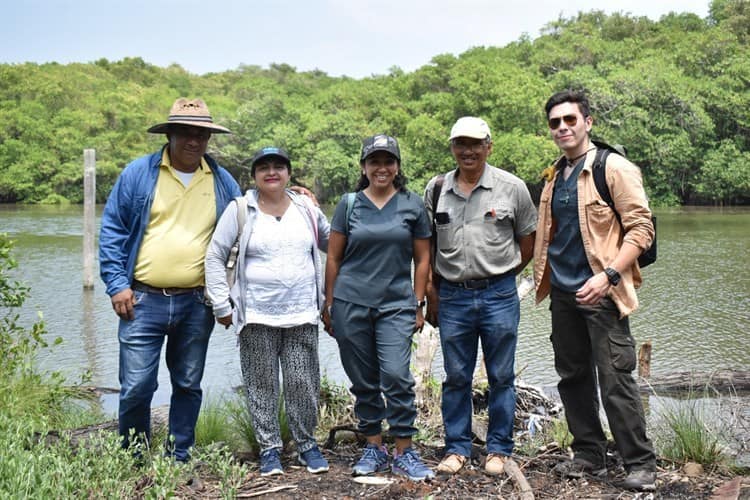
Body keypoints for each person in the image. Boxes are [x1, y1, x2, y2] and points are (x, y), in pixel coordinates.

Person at [99, 98, 242, 462]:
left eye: (201, 134)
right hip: (142, 299)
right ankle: (133, 458)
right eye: (186, 133)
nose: (194, 141)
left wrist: (295, 199)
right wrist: (116, 283)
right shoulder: (139, 174)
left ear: (209, 138)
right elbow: (113, 229)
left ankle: (179, 455)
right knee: (135, 387)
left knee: (188, 384)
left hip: (198, 302)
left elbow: (247, 225)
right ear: (170, 134)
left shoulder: (222, 181)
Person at [533, 90, 657, 491]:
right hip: (564, 295)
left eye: (570, 119)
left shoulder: (613, 167)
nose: (563, 128)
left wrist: (608, 276)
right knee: (572, 377)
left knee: (616, 378)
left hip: (603, 292)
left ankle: (640, 463)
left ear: (588, 122)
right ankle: (588, 453)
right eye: (555, 122)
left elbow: (641, 229)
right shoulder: (554, 174)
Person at [204, 146, 330, 476]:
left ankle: (306, 445)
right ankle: (270, 449)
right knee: (261, 385)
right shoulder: (240, 210)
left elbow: (334, 244)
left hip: (302, 313)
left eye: (278, 166)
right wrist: (220, 302)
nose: (271, 172)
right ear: (255, 175)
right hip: (256, 315)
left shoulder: (306, 208)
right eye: (264, 167)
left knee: (303, 382)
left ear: (289, 173)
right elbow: (215, 256)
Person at [424, 117, 537, 476]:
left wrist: (502, 277)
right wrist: (431, 292)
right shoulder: (437, 187)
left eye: (475, 144)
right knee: (456, 375)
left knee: (501, 375)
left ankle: (499, 449)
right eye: (460, 144)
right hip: (453, 295)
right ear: (452, 148)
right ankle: (457, 447)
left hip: (499, 294)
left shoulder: (512, 187)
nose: (467, 151)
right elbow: (426, 244)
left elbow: (528, 241)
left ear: (489, 146)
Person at [321, 134, 434, 481]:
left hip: (396, 305)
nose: (381, 168)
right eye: (374, 161)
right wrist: (329, 303)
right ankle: (373, 445)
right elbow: (334, 258)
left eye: (388, 161)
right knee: (363, 380)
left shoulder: (412, 205)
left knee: (397, 376)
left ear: (397, 166)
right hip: (351, 302)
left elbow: (423, 258)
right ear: (364, 167)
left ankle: (404, 450)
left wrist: (418, 303)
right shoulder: (349, 204)